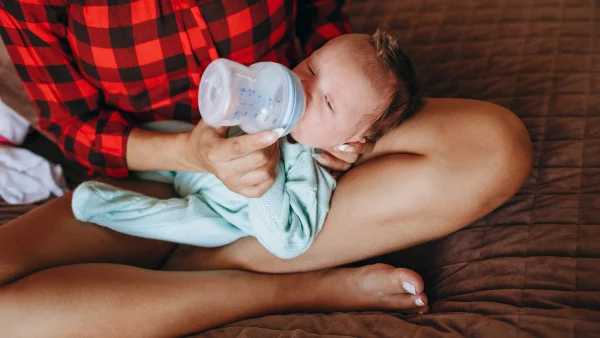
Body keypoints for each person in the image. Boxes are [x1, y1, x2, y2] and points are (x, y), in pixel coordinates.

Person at [0, 1, 533, 336]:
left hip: (300, 139)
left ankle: (200, 265)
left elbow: (324, 27)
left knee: (493, 145)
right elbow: (74, 126)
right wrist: (193, 153)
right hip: (156, 165)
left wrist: (348, 134)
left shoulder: (317, 105)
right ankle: (295, 287)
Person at [71, 31, 421, 261]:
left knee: (187, 225)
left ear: (349, 142)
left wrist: (266, 186)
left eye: (327, 103)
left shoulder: (313, 169)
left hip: (221, 213)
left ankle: (104, 206)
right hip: (193, 158)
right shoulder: (267, 100)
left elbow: (287, 242)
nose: (302, 85)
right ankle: (122, 166)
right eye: (311, 66)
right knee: (161, 131)